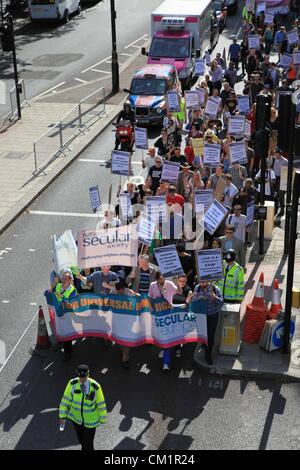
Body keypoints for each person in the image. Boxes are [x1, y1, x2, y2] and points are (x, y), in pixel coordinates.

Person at [59, 364, 107, 450]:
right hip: (76, 419)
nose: (82, 379)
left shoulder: (95, 386)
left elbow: (101, 404)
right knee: (82, 441)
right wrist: (62, 416)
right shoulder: (72, 384)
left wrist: (102, 419)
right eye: (80, 377)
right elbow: (65, 400)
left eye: (84, 377)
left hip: (91, 421)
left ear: (88, 375)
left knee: (88, 443)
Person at [148, 271, 177, 371]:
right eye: (160, 279)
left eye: (164, 278)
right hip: (158, 315)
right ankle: (163, 348)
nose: (163, 280)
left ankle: (166, 363)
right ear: (156, 279)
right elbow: (150, 298)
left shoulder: (169, 284)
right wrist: (152, 309)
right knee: (161, 335)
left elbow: (179, 292)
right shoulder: (152, 286)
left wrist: (176, 281)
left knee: (167, 337)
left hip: (168, 314)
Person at [192, 281, 223, 364]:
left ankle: (208, 355)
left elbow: (221, 303)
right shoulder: (197, 288)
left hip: (213, 315)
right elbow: (194, 301)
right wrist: (200, 298)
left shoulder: (215, 289)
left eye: (204, 282)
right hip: (202, 316)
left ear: (208, 281)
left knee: (210, 336)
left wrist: (214, 297)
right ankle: (204, 344)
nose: (202, 284)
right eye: (201, 282)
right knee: (203, 334)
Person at [52, 269, 77, 361]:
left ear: (70, 280)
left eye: (66, 278)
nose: (63, 280)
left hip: (67, 316)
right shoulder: (58, 286)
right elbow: (53, 294)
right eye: (62, 278)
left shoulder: (73, 290)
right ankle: (60, 342)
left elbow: (74, 305)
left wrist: (65, 304)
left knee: (67, 334)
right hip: (59, 313)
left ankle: (68, 352)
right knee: (59, 329)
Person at [270, 147, 288, 216]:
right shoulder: (273, 159)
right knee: (275, 194)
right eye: (274, 153)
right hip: (275, 178)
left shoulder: (285, 161)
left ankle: (282, 209)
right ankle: (276, 208)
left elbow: (287, 172)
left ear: (280, 154)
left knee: (281, 195)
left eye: (276, 153)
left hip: (282, 179)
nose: (275, 155)